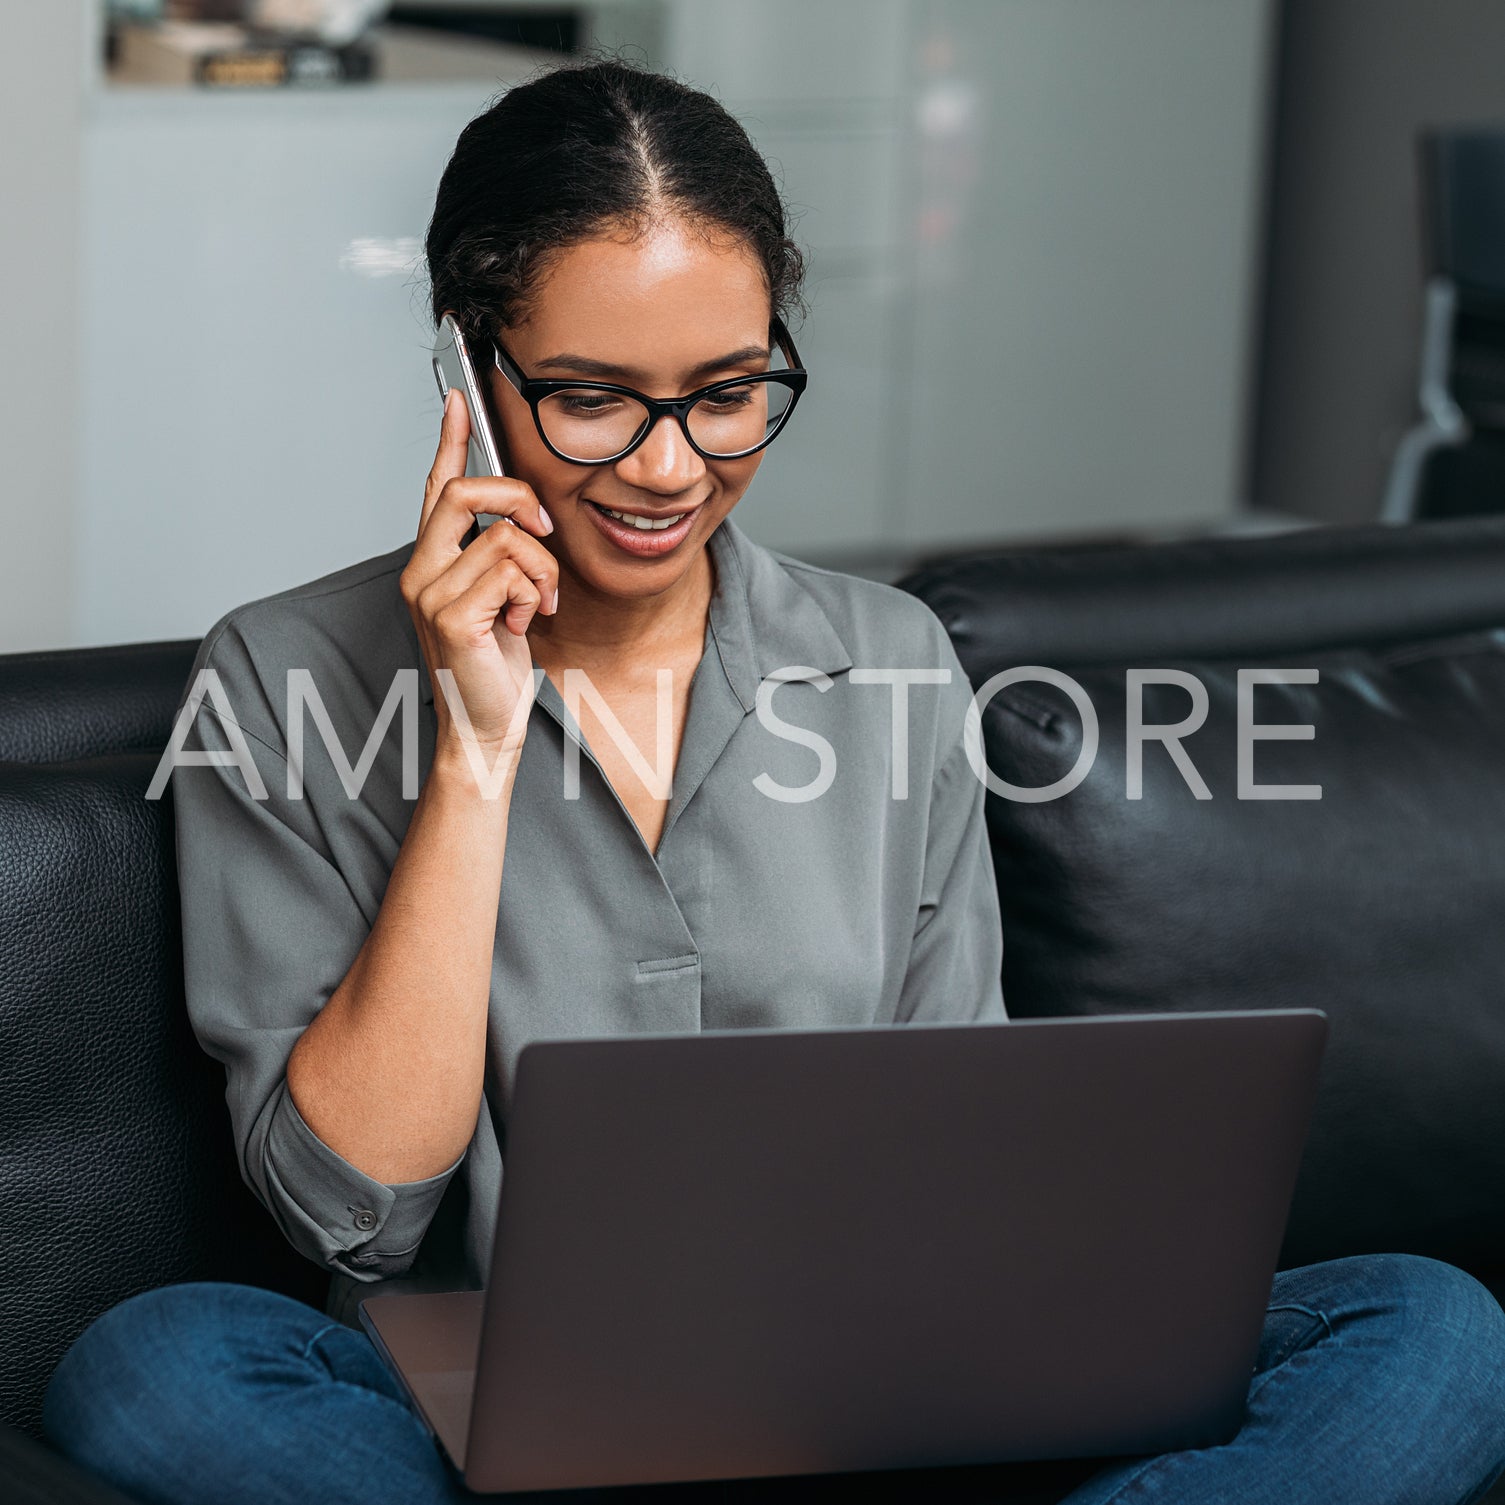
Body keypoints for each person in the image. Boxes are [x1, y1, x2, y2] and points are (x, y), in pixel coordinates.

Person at [39, 57, 1505, 1505]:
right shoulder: (277, 677)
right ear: (468, 372)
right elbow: (346, 1210)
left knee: (1430, 1332)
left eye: (728, 392)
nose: (670, 467)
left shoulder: (891, 661)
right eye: (594, 399)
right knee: (157, 1361)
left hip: (874, 1395)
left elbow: (965, 1151)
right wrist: (476, 748)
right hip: (473, 1415)